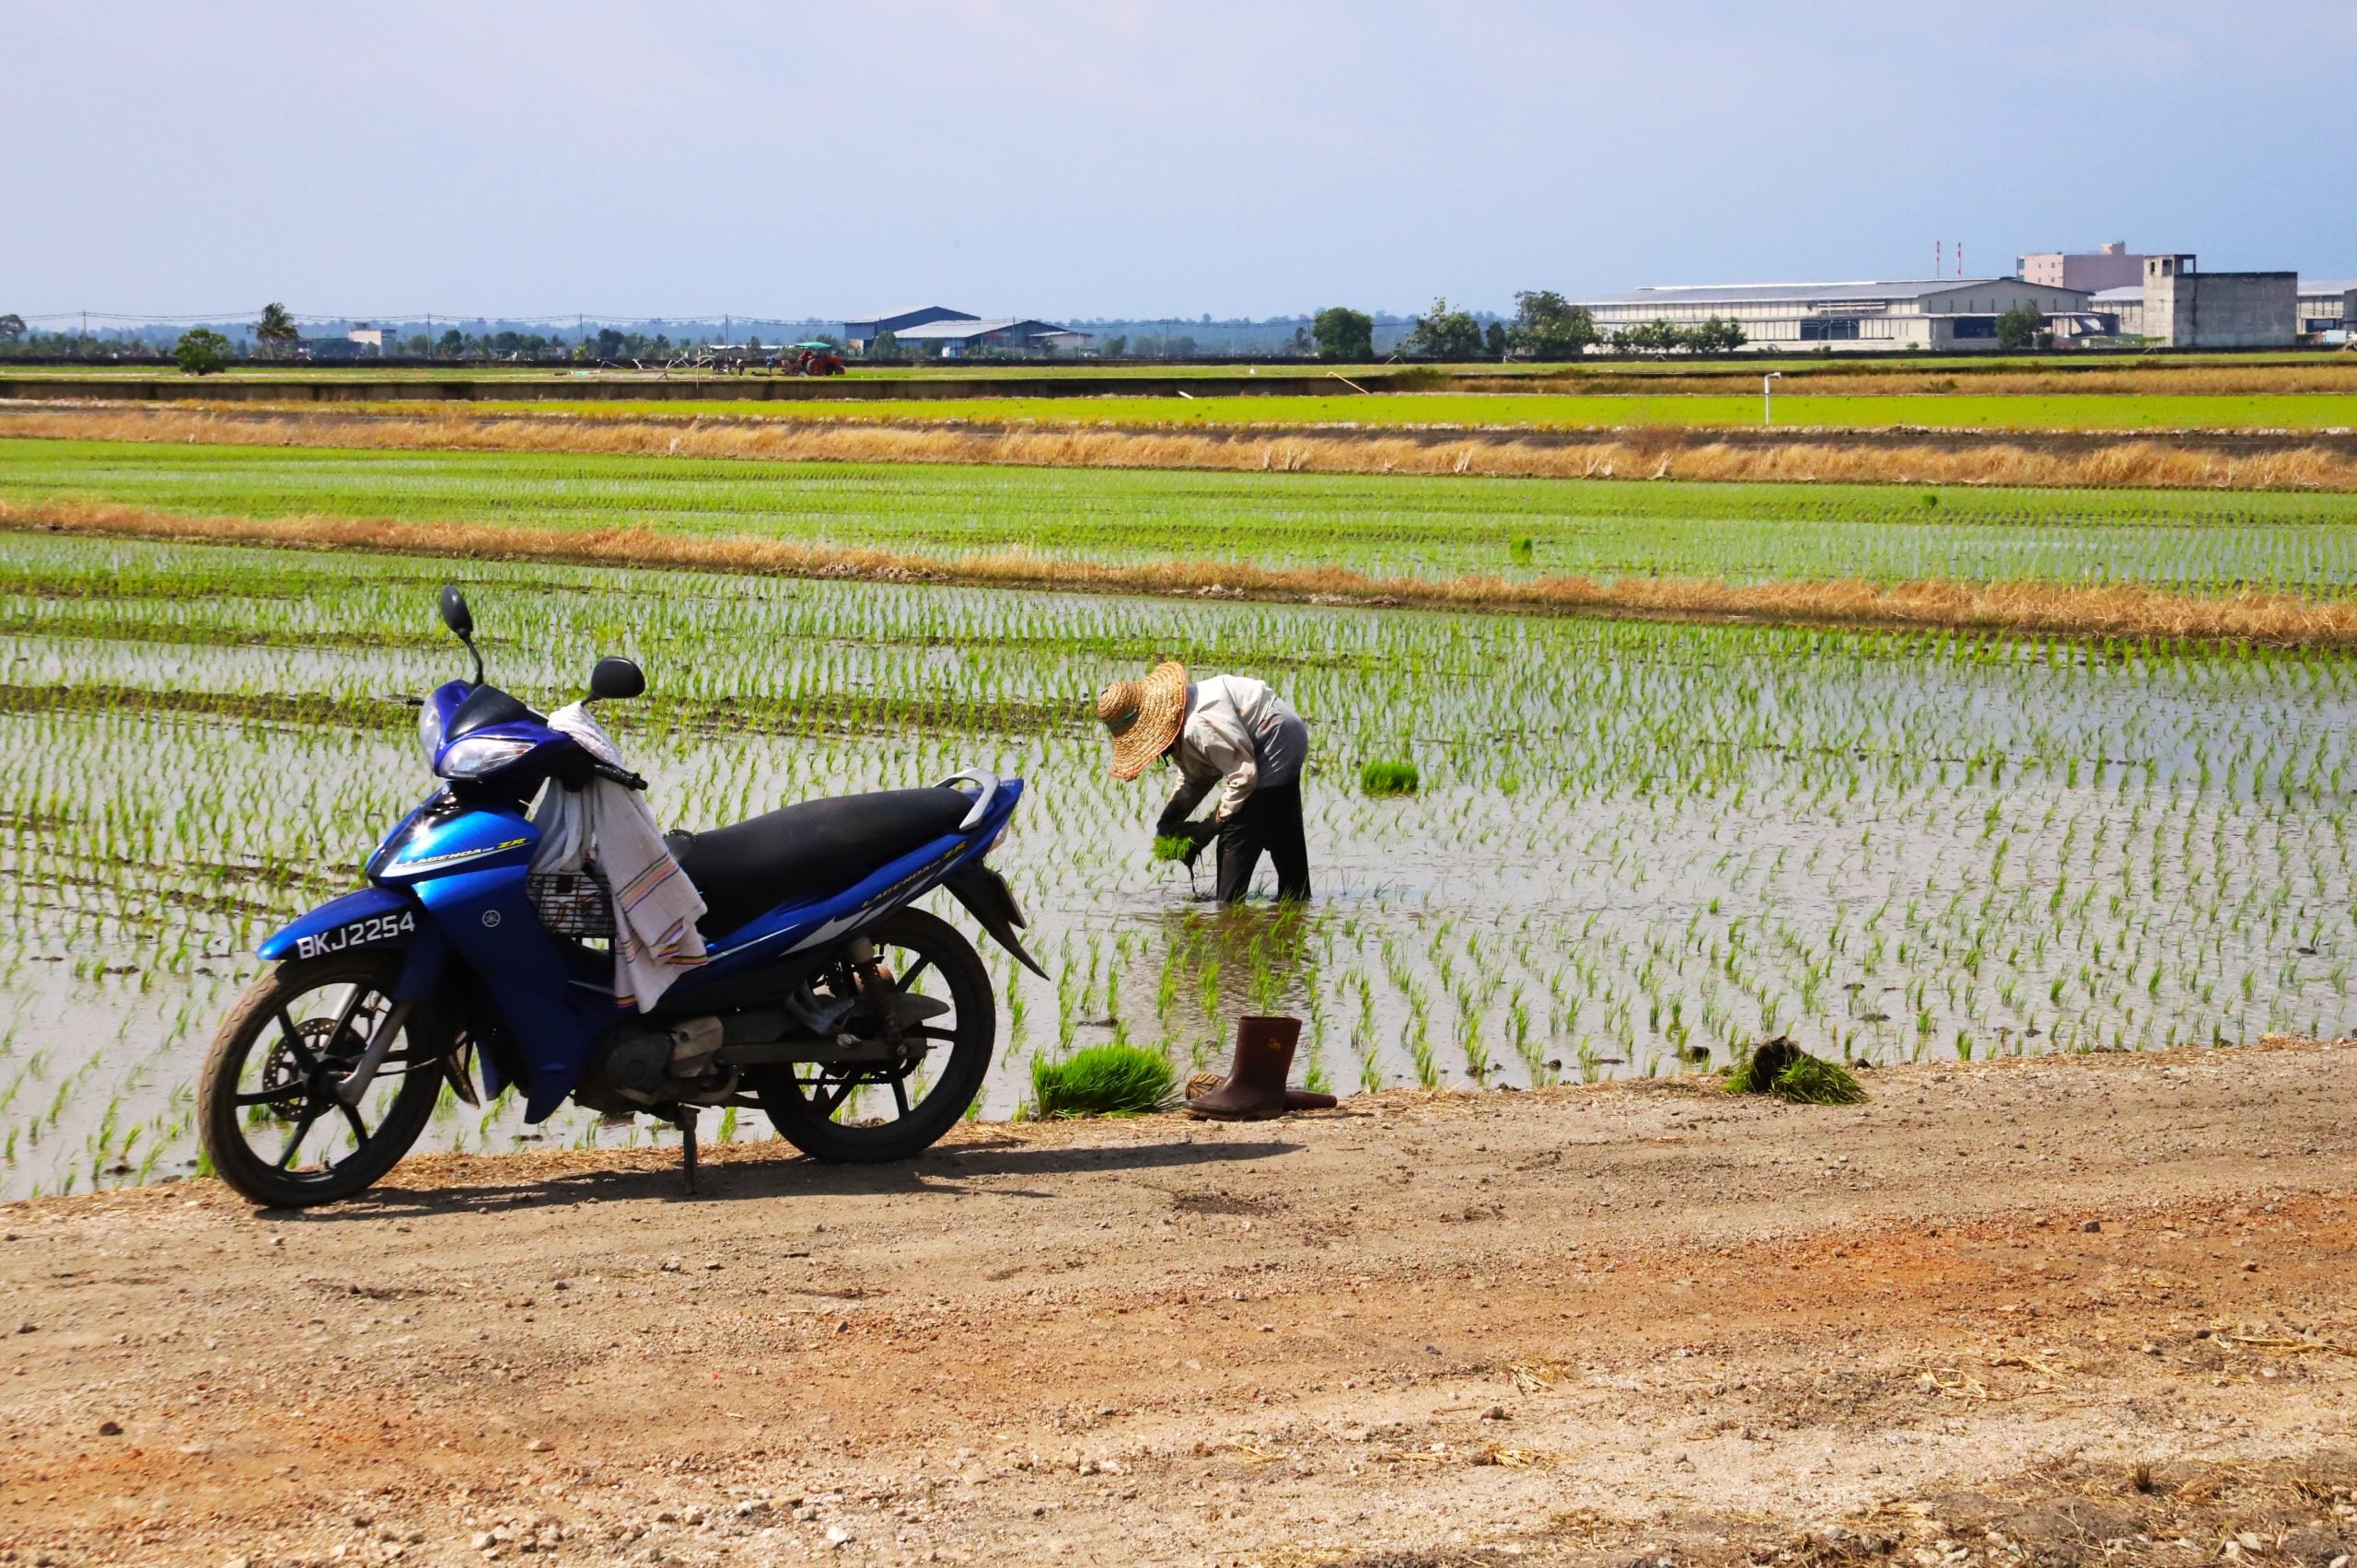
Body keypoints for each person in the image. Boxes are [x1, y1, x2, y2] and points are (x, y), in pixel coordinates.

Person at [1097, 660, 1310, 904]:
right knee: (1284, 835)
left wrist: (1210, 827)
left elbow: (1244, 777)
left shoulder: (1198, 725)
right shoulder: (1180, 717)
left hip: (1275, 740)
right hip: (1281, 733)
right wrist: (1171, 816)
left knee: (1235, 838)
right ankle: (1297, 905)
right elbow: (1196, 776)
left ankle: (1228, 915)